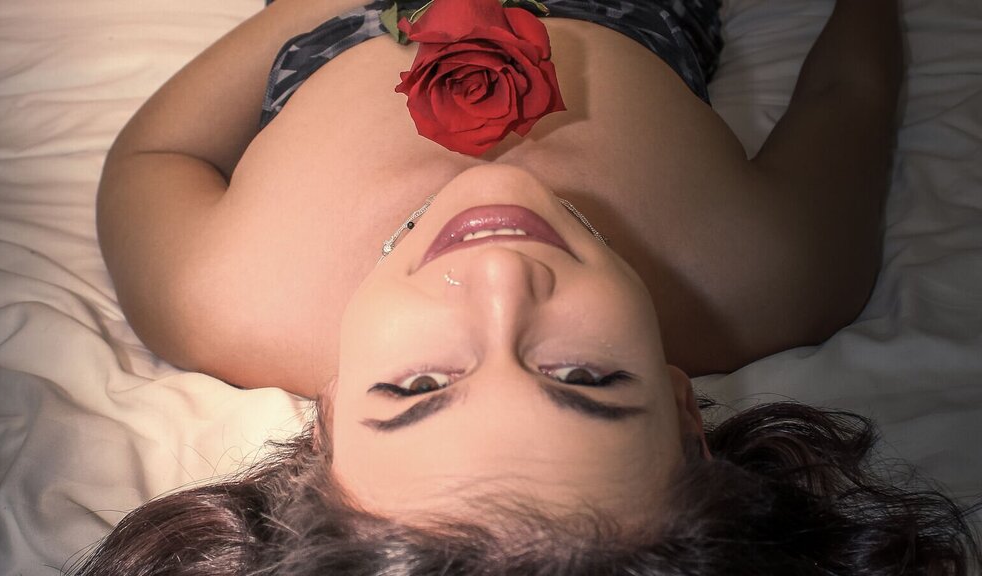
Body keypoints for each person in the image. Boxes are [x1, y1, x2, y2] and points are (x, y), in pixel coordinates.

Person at [76, 0, 980, 573]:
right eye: (584, 376)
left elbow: (158, 154)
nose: (502, 277)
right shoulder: (773, 276)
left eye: (419, 386)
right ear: (684, 413)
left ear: (329, 419)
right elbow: (848, 95)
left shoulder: (223, 294)